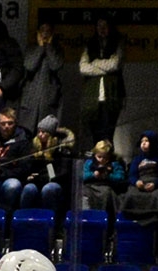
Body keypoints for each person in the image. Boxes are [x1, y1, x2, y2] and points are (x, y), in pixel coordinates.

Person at [78, 17, 125, 146]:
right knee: (94, 135)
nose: (102, 29)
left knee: (108, 135)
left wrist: (95, 63)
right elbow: (83, 68)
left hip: (111, 97)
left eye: (105, 26)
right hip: (92, 99)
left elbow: (115, 64)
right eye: (99, 26)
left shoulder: (117, 42)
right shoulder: (90, 44)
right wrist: (104, 67)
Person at [17, 19, 63, 135]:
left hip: (48, 99)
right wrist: (41, 48)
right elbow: (29, 66)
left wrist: (48, 47)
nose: (45, 34)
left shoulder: (57, 50)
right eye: (42, 30)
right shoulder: (31, 49)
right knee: (26, 134)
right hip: (30, 99)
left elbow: (55, 66)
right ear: (37, 33)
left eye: (48, 31)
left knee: (46, 133)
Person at [19, 115, 72, 212]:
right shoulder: (34, 146)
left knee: (48, 189)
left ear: (51, 134)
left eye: (43, 132)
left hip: (54, 182)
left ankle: (51, 219)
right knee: (28, 189)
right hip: (37, 181)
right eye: (38, 131)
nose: (40, 135)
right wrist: (29, 175)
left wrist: (41, 175)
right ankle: (24, 217)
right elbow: (27, 167)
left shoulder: (61, 149)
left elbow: (60, 173)